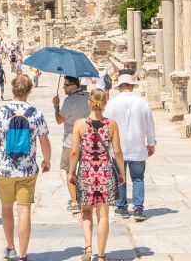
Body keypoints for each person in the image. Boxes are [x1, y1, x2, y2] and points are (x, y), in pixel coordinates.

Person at [0, 74, 51, 261]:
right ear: (29, 91)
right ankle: (23, 254)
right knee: (24, 210)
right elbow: (45, 142)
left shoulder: (0, 112)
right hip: (28, 170)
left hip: (5, 170)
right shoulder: (36, 114)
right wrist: (46, 160)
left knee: (7, 207)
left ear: (12, 89)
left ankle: (10, 248)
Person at [69, 89, 126, 261]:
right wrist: (122, 172)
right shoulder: (112, 124)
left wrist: (71, 172)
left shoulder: (79, 124)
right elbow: (117, 151)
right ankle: (101, 256)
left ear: (89, 101)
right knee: (103, 215)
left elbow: (73, 152)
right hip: (105, 171)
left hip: (86, 171)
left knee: (86, 212)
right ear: (105, 102)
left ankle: (88, 249)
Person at [103, 74, 156, 221]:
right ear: (132, 86)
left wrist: (106, 146)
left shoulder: (112, 104)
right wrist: (151, 143)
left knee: (121, 178)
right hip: (138, 147)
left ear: (120, 86)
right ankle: (138, 209)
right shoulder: (142, 103)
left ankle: (122, 208)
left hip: (118, 148)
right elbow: (149, 124)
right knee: (138, 178)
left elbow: (106, 125)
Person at [53, 76, 90, 214]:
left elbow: (59, 120)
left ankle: (74, 202)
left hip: (71, 141)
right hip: (88, 141)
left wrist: (56, 105)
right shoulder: (88, 96)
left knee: (70, 171)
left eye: (66, 85)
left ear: (74, 86)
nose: (64, 88)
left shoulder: (68, 101)